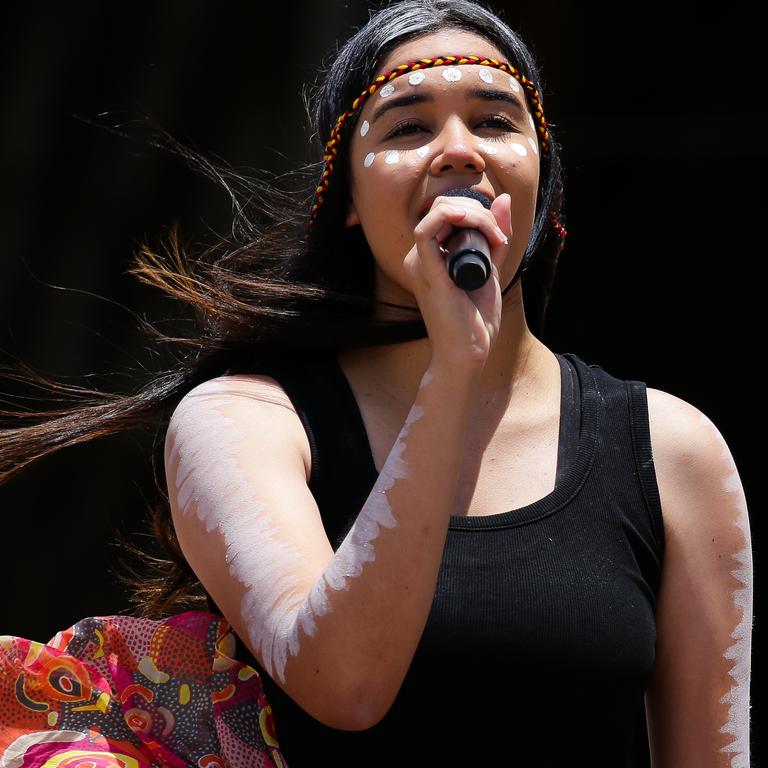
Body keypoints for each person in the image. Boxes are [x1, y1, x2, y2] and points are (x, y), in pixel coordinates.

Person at [0, 1, 753, 766]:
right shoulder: (246, 422)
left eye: (495, 122)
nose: (459, 151)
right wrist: (453, 370)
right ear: (349, 204)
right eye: (407, 127)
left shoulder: (670, 450)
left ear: (544, 181)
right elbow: (344, 684)